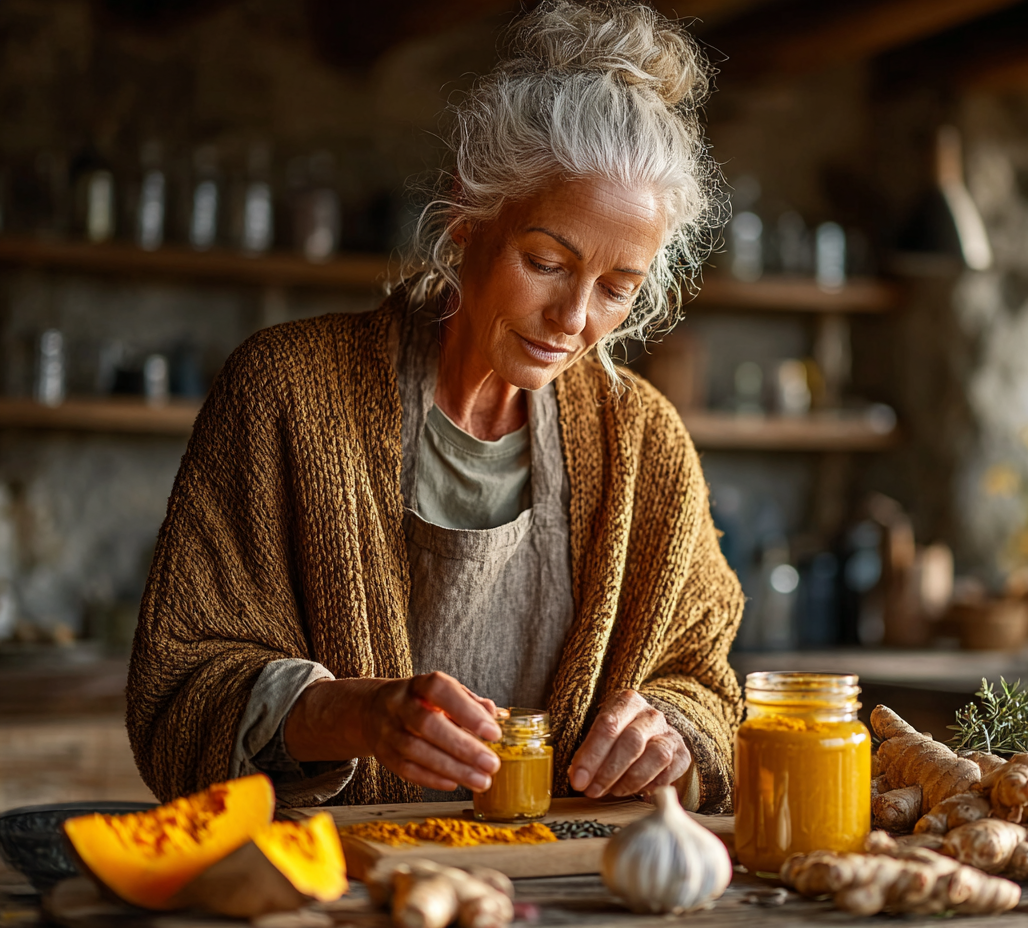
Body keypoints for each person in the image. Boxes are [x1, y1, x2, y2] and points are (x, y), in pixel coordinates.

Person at [126, 0, 743, 814]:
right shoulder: (285, 391)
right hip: (332, 872)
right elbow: (178, 691)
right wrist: (352, 715)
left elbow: (705, 686)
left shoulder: (645, 441)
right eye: (546, 262)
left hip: (567, 879)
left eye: (618, 288)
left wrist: (672, 734)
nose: (573, 318)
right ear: (466, 216)